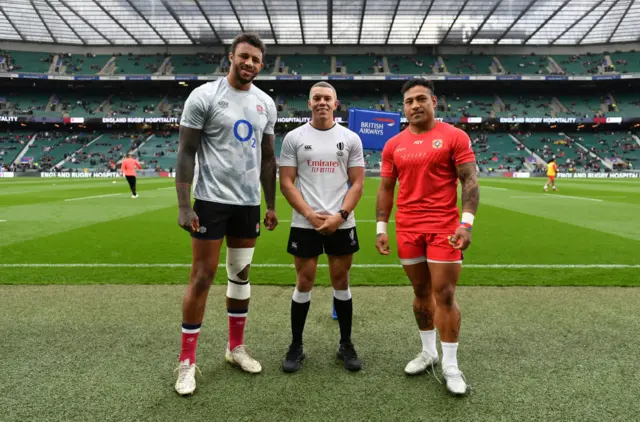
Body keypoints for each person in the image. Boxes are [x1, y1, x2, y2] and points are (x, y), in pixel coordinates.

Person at [173, 32, 278, 396]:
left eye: (256, 60)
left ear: (261, 65)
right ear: (231, 56)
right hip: (210, 200)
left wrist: (271, 204)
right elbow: (186, 152)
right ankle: (187, 362)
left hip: (247, 204)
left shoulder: (266, 103)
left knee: (241, 276)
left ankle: (235, 348)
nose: (249, 64)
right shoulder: (204, 96)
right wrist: (184, 206)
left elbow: (268, 158)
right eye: (244, 57)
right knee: (202, 277)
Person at [375, 78, 479, 395]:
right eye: (409, 101)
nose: (415, 105)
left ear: (435, 101)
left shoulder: (454, 137)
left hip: (444, 226)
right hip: (407, 228)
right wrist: (381, 227)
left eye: (421, 99)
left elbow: (470, 180)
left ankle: (450, 365)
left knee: (444, 293)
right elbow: (385, 188)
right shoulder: (394, 144)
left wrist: (467, 223)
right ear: (403, 107)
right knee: (420, 291)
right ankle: (428, 352)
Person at [278, 82, 365, 373]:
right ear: (309, 103)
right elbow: (287, 182)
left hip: (342, 222)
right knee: (305, 281)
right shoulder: (294, 137)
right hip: (305, 223)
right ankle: (296, 345)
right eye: (317, 98)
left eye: (327, 98)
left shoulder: (351, 138)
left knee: (341, 281)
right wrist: (311, 216)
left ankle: (346, 344)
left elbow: (358, 183)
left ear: (335, 103)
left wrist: (339, 216)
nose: (322, 103)